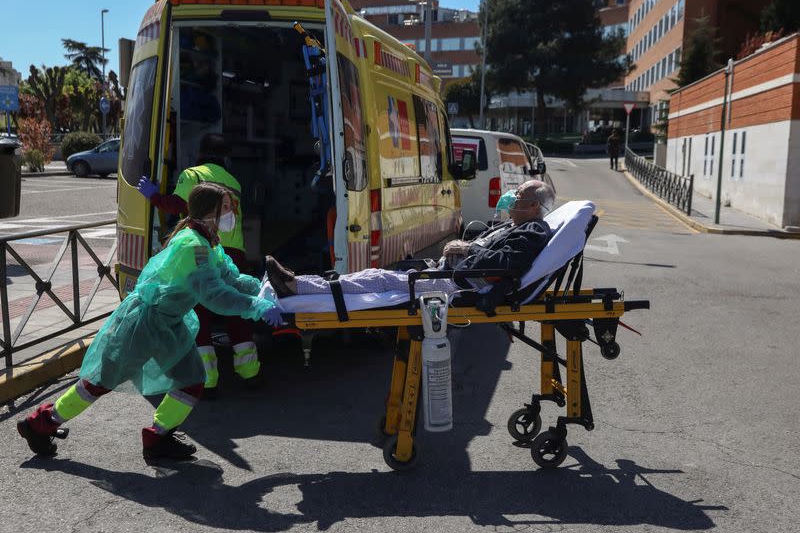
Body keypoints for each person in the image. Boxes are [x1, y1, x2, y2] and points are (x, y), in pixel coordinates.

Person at [17, 184, 284, 460]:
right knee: (99, 382)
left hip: (167, 324)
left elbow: (230, 278)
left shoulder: (209, 242)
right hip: (144, 324)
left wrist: (261, 286)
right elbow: (214, 295)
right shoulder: (193, 245)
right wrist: (256, 307)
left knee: (191, 380)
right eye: (226, 208)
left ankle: (158, 437)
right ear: (209, 212)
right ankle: (40, 423)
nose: (232, 214)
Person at [264, 180, 554, 299]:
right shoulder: (522, 226)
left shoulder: (533, 231)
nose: (513, 200)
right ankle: (301, 284)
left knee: (377, 279)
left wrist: (468, 249)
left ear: (533, 206)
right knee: (375, 274)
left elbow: (505, 262)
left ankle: (296, 286)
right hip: (452, 275)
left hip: (457, 284)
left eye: (519, 197)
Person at [137, 133, 257, 398]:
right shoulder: (233, 181)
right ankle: (249, 372)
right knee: (236, 310)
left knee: (199, 312)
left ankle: (208, 380)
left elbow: (177, 205)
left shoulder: (192, 174)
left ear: (200, 154)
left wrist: (154, 196)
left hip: (204, 250)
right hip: (234, 252)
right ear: (224, 156)